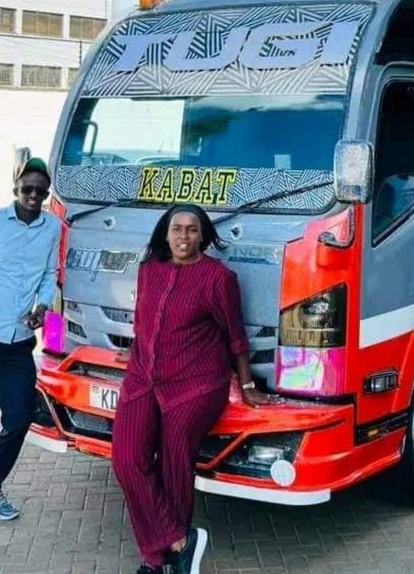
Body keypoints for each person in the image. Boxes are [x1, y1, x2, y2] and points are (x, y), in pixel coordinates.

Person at [111, 204, 281, 574]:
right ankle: (180, 542)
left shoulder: (218, 277)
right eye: (177, 229)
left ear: (203, 235)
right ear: (166, 233)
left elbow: (235, 336)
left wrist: (247, 384)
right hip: (143, 379)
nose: (183, 237)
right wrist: (136, 351)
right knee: (126, 460)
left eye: (191, 230)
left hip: (197, 384)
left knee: (175, 459)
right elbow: (143, 322)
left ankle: (155, 561)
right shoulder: (149, 270)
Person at [0, 157, 60, 521]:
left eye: (40, 190)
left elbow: (50, 273)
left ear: (46, 194)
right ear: (15, 190)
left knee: (19, 418)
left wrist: (44, 306)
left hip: (18, 343)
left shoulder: (52, 228)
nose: (33, 195)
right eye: (27, 189)